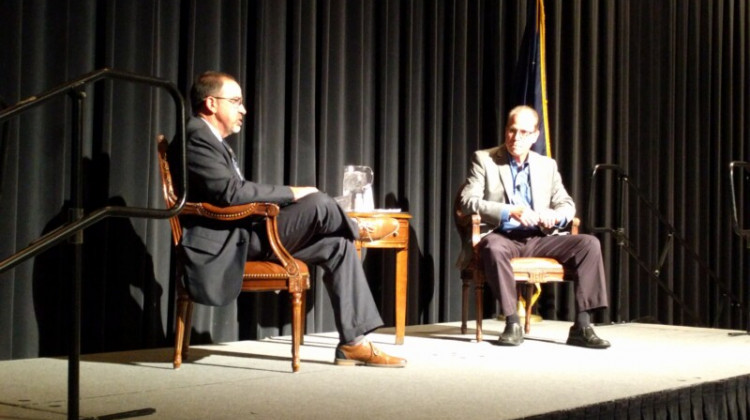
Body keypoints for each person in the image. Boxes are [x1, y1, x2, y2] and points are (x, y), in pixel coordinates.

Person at [169, 71, 406, 367]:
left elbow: (232, 193)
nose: (243, 109)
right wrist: (293, 193)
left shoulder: (209, 139)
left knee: (337, 245)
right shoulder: (196, 136)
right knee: (318, 201)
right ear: (211, 103)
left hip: (245, 232)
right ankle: (360, 229)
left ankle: (354, 343)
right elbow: (231, 193)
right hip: (228, 243)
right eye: (236, 101)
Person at [459, 105, 610, 349]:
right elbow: (468, 202)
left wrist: (556, 216)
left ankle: (582, 325)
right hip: (503, 236)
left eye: (523, 132)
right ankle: (512, 321)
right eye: (511, 130)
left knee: (589, 243)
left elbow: (567, 204)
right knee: (493, 248)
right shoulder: (485, 159)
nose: (516, 138)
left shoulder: (546, 165)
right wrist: (509, 211)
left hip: (539, 238)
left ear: (535, 136)